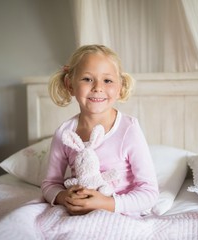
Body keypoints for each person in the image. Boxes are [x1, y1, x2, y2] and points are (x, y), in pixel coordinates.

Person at [41, 44, 159, 217]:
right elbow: (50, 184)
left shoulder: (129, 129)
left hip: (121, 212)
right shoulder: (65, 134)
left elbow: (149, 193)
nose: (97, 87)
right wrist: (65, 197)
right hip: (79, 214)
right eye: (87, 79)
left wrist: (106, 204)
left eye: (108, 80)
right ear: (70, 84)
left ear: (120, 87)